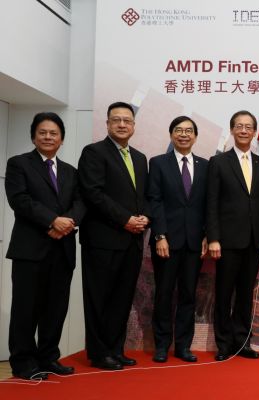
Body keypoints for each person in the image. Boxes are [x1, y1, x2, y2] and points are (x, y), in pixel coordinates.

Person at [5, 112, 85, 380]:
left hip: (62, 250)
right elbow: (20, 200)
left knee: (55, 308)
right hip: (30, 249)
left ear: (62, 139)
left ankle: (49, 357)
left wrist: (68, 222)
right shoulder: (18, 164)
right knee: (26, 308)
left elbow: (81, 202)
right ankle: (23, 361)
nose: (48, 137)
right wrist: (52, 221)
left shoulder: (71, 172)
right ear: (33, 136)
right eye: (43, 132)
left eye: (53, 133)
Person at [78, 101, 149, 370]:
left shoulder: (140, 158)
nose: (122, 124)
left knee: (122, 298)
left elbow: (142, 197)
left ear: (133, 125)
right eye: (116, 120)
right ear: (107, 124)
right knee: (100, 297)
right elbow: (93, 193)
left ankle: (116, 350)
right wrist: (125, 219)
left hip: (132, 241)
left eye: (127, 120)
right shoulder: (94, 153)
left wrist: (145, 217)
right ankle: (98, 353)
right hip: (103, 240)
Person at [207, 110, 259, 361]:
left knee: (246, 294)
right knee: (224, 293)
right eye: (239, 126)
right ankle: (224, 344)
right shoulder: (219, 162)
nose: (244, 130)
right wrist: (213, 237)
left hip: (255, 241)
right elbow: (211, 203)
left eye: (248, 126)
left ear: (254, 132)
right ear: (232, 130)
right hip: (226, 241)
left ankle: (243, 342)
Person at [147, 116, 208, 363]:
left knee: (188, 295)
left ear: (195, 136)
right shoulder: (158, 163)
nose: (184, 134)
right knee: (163, 293)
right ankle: (162, 345)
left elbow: (207, 205)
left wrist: (206, 235)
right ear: (171, 134)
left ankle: (183, 346)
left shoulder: (205, 166)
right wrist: (160, 235)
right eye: (179, 130)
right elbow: (154, 200)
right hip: (166, 242)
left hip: (194, 243)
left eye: (189, 131)